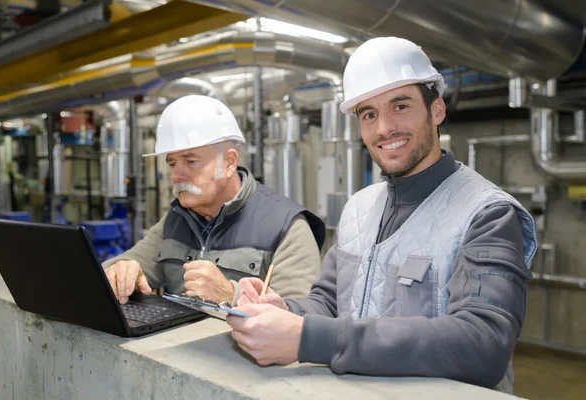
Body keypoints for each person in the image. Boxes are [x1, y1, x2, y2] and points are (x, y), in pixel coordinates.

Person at [227, 37, 537, 394]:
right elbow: (329, 301)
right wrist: (285, 309)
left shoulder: (487, 214)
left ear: (436, 110)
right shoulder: (359, 208)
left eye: (400, 105)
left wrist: (310, 339)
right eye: (369, 114)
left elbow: (482, 343)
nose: (384, 128)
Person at [103, 95, 325, 306]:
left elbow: (300, 319)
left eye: (190, 161)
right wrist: (120, 269)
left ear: (229, 163)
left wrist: (232, 295)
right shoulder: (176, 220)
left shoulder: (286, 227)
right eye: (172, 163)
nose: (176, 175)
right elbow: (126, 264)